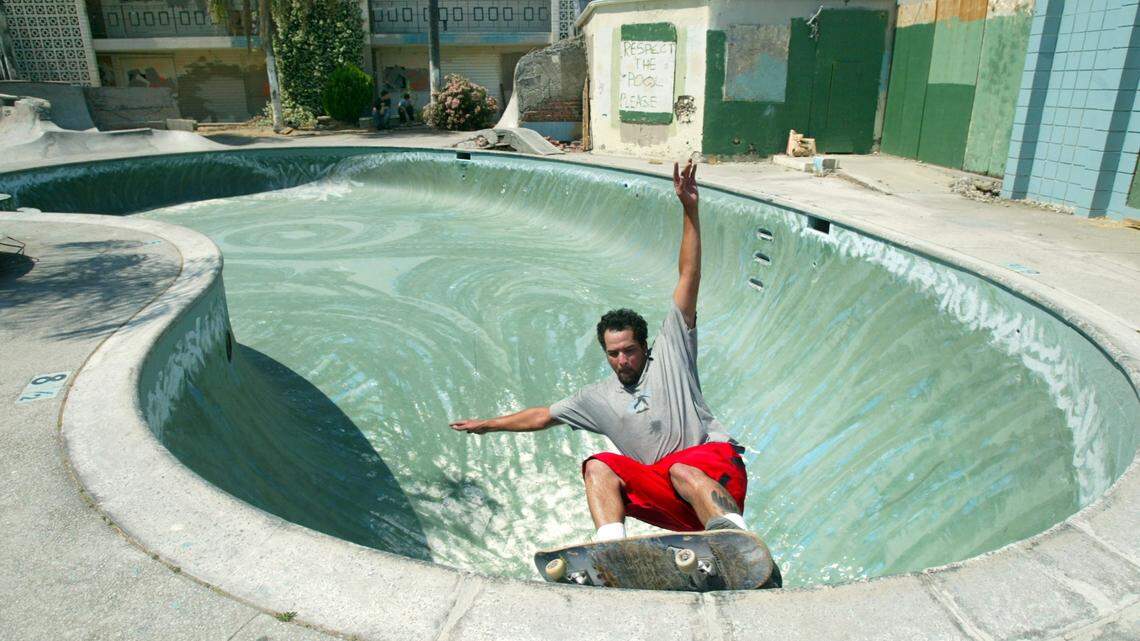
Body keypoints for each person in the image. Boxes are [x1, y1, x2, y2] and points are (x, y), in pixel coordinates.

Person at [449, 160, 750, 542]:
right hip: (671, 502)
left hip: (713, 475)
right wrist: (488, 425)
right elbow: (542, 416)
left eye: (629, 350)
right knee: (598, 466)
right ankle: (610, 547)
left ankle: (737, 539)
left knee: (680, 470)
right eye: (613, 354)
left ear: (645, 345)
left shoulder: (672, 351)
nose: (622, 360)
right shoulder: (597, 398)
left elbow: (689, 276)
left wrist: (690, 210)